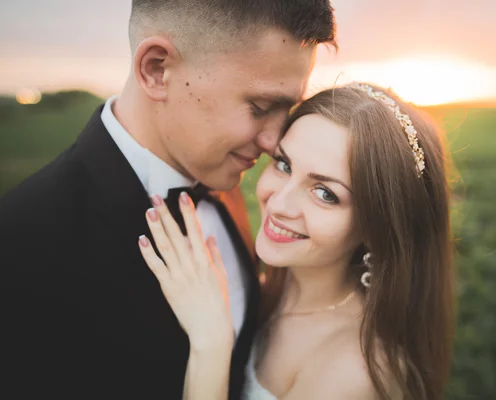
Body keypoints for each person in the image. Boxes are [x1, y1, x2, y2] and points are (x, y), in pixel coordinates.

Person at [0, 1, 336, 399]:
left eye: (288, 110)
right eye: (260, 107)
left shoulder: (224, 183)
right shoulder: (22, 242)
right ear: (156, 69)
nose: (274, 143)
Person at [139, 83, 455, 400]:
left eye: (325, 194)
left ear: (376, 227)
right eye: (284, 165)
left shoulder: (355, 373)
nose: (278, 205)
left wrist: (211, 345)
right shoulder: (265, 288)